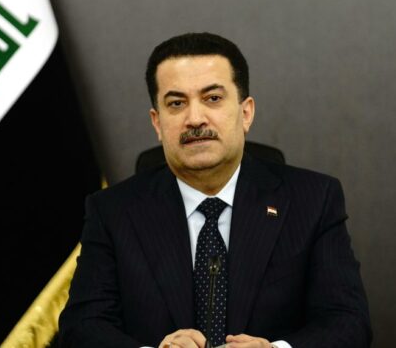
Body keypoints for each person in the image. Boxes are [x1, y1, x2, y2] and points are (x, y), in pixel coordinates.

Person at [59, 33, 371, 348]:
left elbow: (348, 322)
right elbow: (82, 327)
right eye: (176, 103)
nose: (195, 119)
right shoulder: (112, 211)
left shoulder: (313, 200)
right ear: (157, 123)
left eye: (212, 99)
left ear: (246, 113)